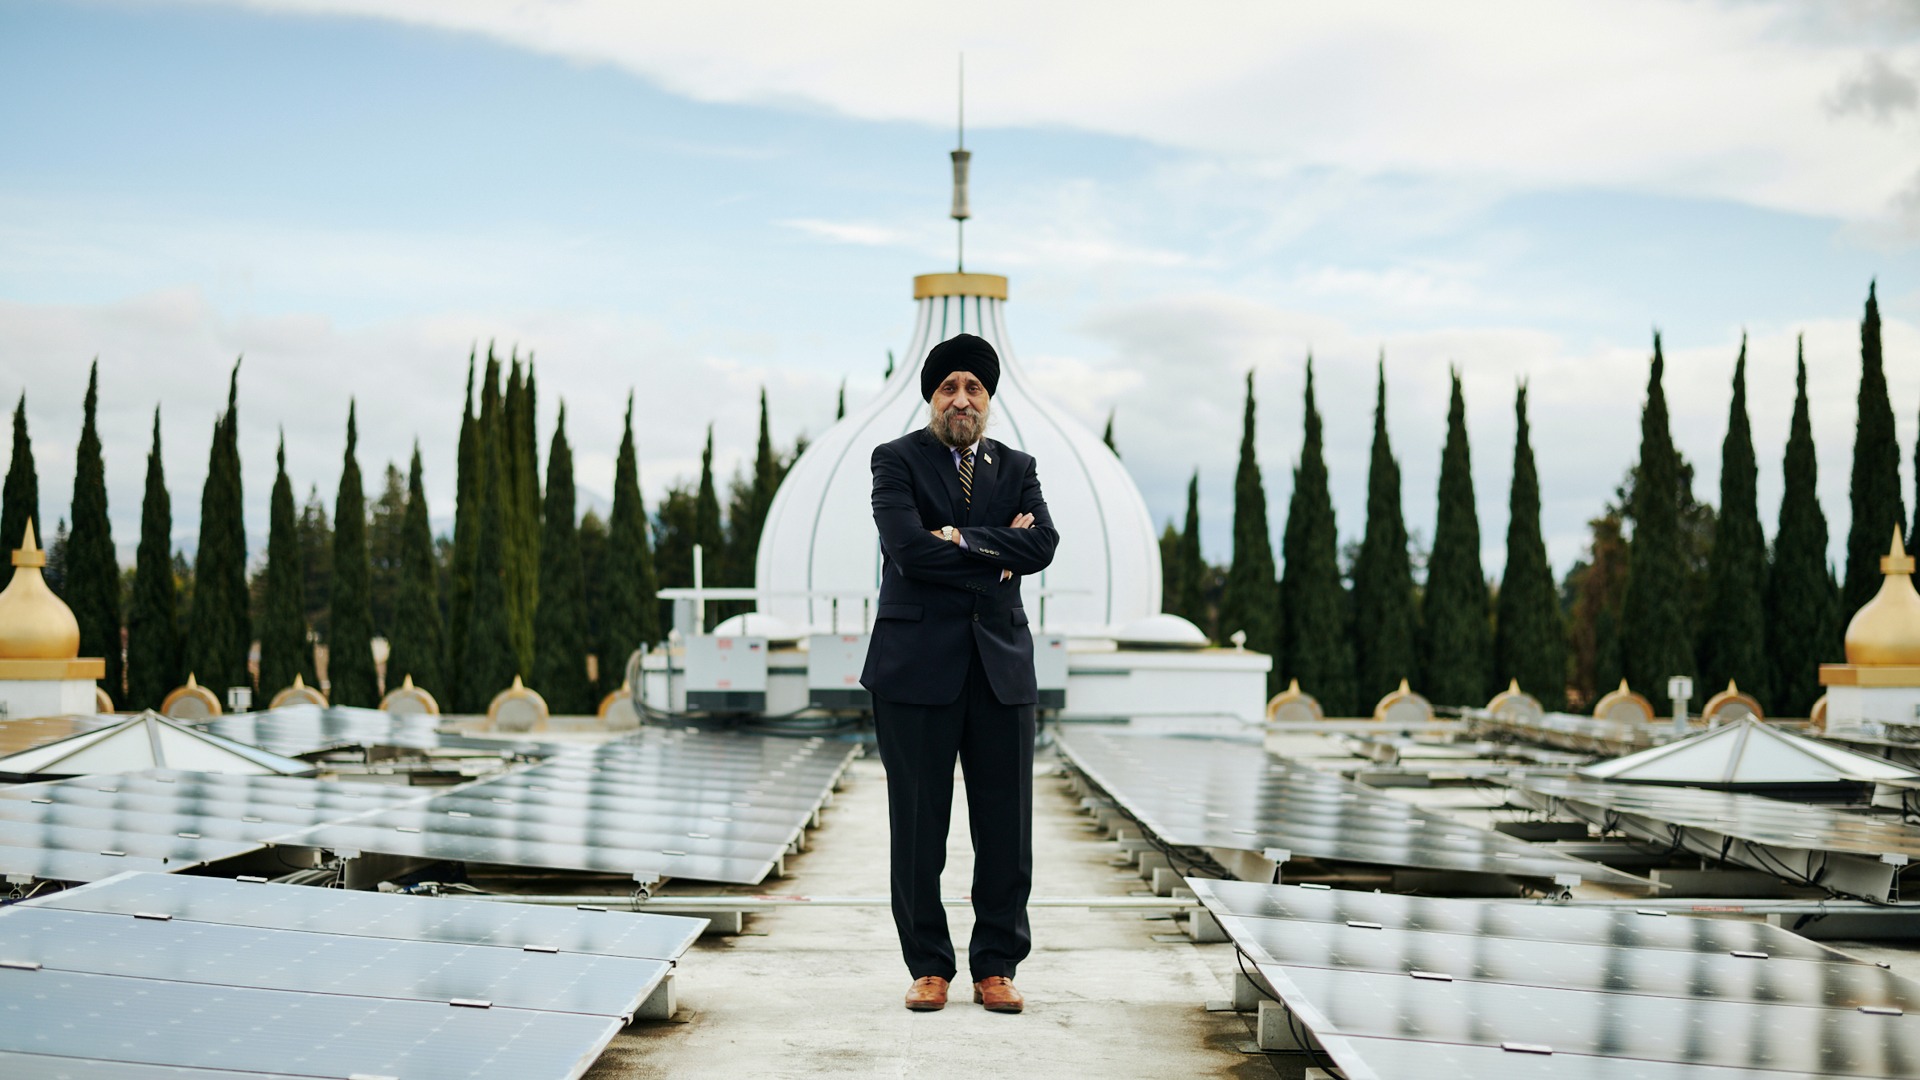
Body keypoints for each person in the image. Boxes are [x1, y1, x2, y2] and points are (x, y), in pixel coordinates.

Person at [860, 332, 1059, 1014]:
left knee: (1006, 829)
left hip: (999, 669)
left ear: (988, 400)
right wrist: (998, 551)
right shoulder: (896, 461)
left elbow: (1044, 544)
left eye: (974, 387)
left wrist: (964, 538)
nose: (962, 398)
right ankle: (929, 967)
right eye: (949, 387)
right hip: (915, 670)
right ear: (932, 399)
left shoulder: (1019, 466)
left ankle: (996, 966)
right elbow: (910, 552)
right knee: (918, 827)